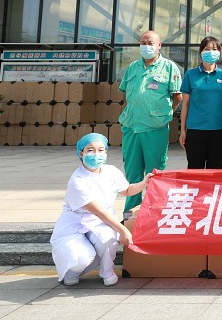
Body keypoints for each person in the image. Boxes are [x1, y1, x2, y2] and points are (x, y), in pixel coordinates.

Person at [50, 133, 151, 287]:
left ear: (106, 153)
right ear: (81, 153)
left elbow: (127, 190)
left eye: (101, 150)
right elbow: (98, 211)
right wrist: (123, 230)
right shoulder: (77, 180)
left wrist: (144, 183)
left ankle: (107, 271)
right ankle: (72, 272)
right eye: (90, 150)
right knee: (79, 257)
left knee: (108, 237)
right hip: (75, 223)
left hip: (99, 222)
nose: (96, 154)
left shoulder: (111, 171)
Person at [117, 30, 182, 213]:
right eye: (143, 43)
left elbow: (177, 97)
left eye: (150, 43)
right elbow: (128, 93)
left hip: (155, 128)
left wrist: (164, 114)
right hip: (131, 126)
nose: (146, 46)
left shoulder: (169, 67)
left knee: (155, 173)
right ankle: (131, 213)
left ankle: (155, 211)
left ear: (159, 46)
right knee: (132, 172)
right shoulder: (132, 67)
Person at [180, 36, 222, 169]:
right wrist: (183, 130)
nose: (210, 52)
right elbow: (185, 104)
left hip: (219, 130)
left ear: (219, 53)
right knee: (194, 168)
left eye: (214, 49)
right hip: (195, 130)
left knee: (215, 169)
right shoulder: (190, 75)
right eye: (207, 49)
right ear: (200, 52)